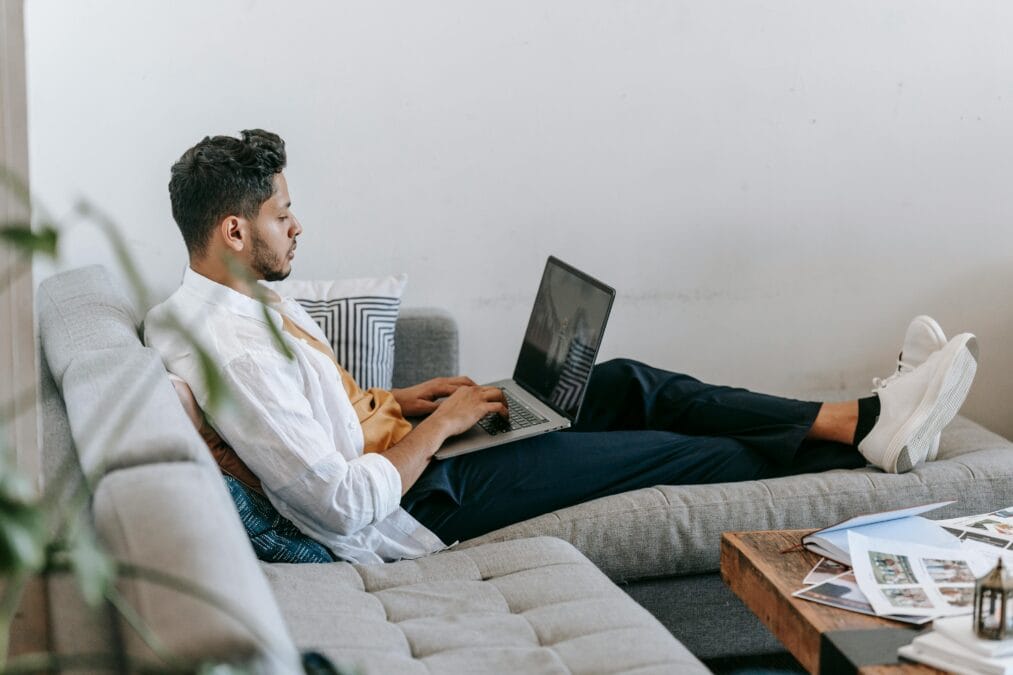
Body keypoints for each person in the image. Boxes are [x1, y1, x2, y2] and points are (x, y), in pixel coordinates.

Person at [145, 129, 979, 564]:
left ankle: (861, 417)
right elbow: (337, 504)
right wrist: (439, 432)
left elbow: (323, 417)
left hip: (414, 452)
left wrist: (408, 400)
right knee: (667, 452)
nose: (297, 225)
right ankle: (864, 464)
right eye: (280, 214)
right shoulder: (232, 353)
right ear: (232, 228)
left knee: (623, 380)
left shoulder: (233, 299)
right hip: (420, 504)